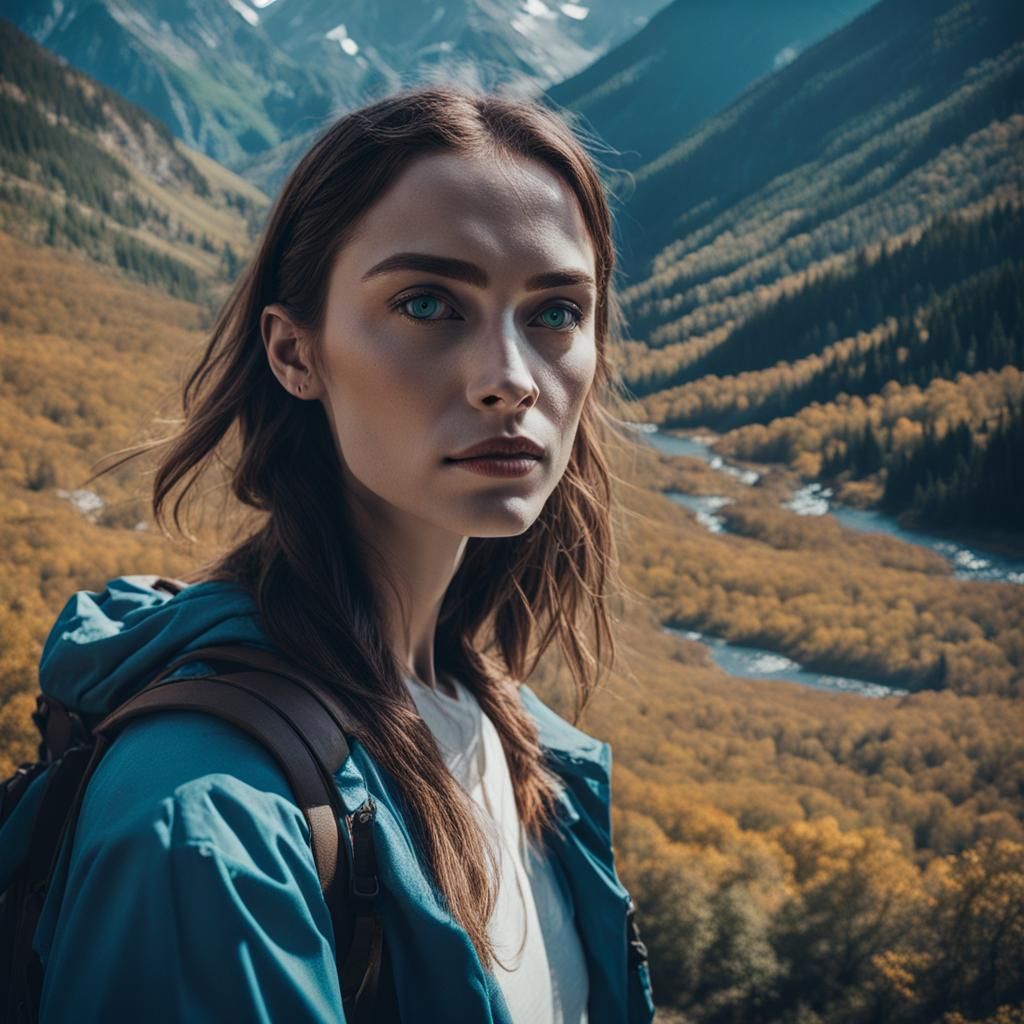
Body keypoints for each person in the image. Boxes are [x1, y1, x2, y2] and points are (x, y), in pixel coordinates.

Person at [19, 84, 656, 1022]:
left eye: (556, 312)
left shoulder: (507, 731)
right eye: (430, 302)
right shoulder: (208, 824)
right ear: (294, 353)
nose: (511, 380)